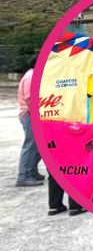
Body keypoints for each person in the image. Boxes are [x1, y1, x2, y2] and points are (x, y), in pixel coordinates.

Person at [16, 57, 44, 187]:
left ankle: (31, 171)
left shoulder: (31, 74)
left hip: (30, 114)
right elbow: (30, 98)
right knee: (31, 145)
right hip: (30, 114)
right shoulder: (32, 76)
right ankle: (24, 176)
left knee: (37, 145)